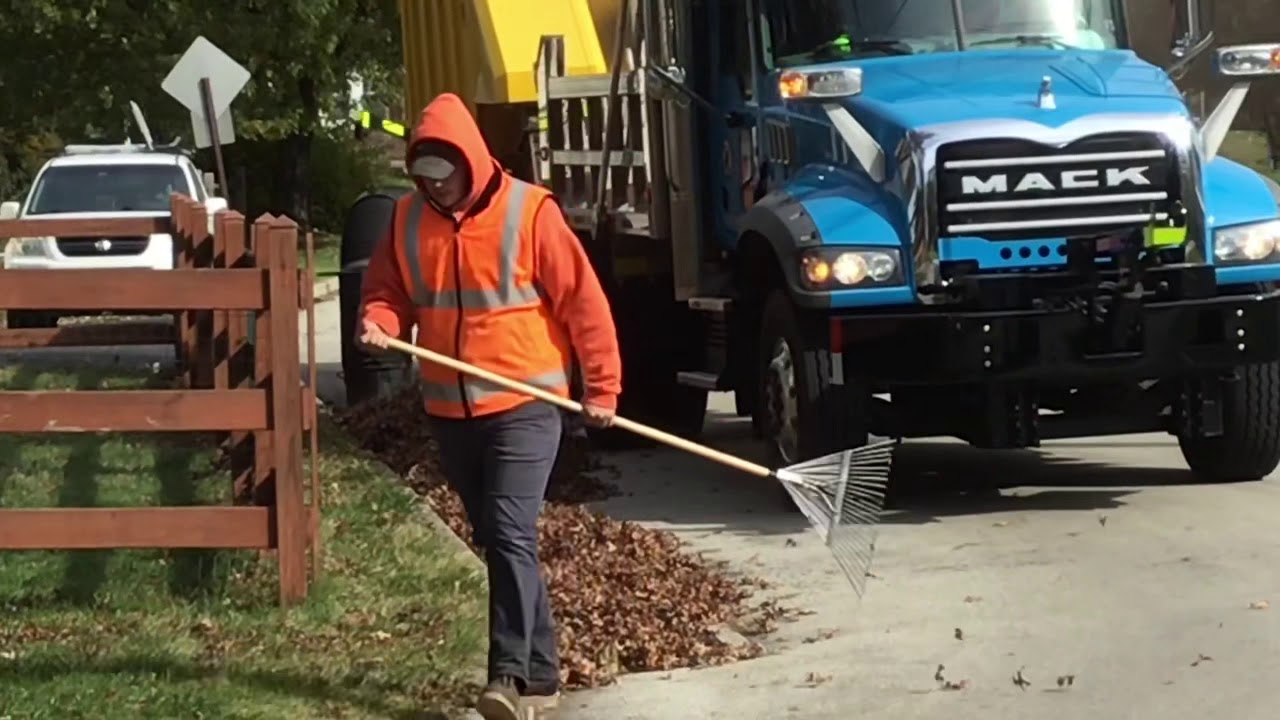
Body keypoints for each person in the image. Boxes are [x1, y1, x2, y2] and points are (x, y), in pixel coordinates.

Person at [357, 92, 622, 720]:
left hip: (526, 405)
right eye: (424, 180)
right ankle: (543, 675)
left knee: (508, 531)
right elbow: (386, 290)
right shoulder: (405, 220)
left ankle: (503, 677)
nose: (436, 191)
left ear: (470, 163)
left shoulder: (530, 214)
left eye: (445, 179)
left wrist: (602, 389)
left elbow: (584, 305)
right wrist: (378, 318)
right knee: (502, 541)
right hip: (451, 410)